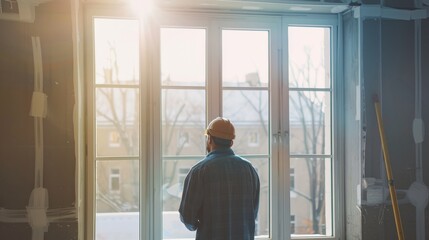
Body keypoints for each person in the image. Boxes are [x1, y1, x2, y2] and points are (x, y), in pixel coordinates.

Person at [179, 117, 260, 240]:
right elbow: (252, 212)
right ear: (231, 142)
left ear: (209, 139)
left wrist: (204, 225)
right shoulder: (249, 170)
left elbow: (187, 217)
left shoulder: (199, 171)